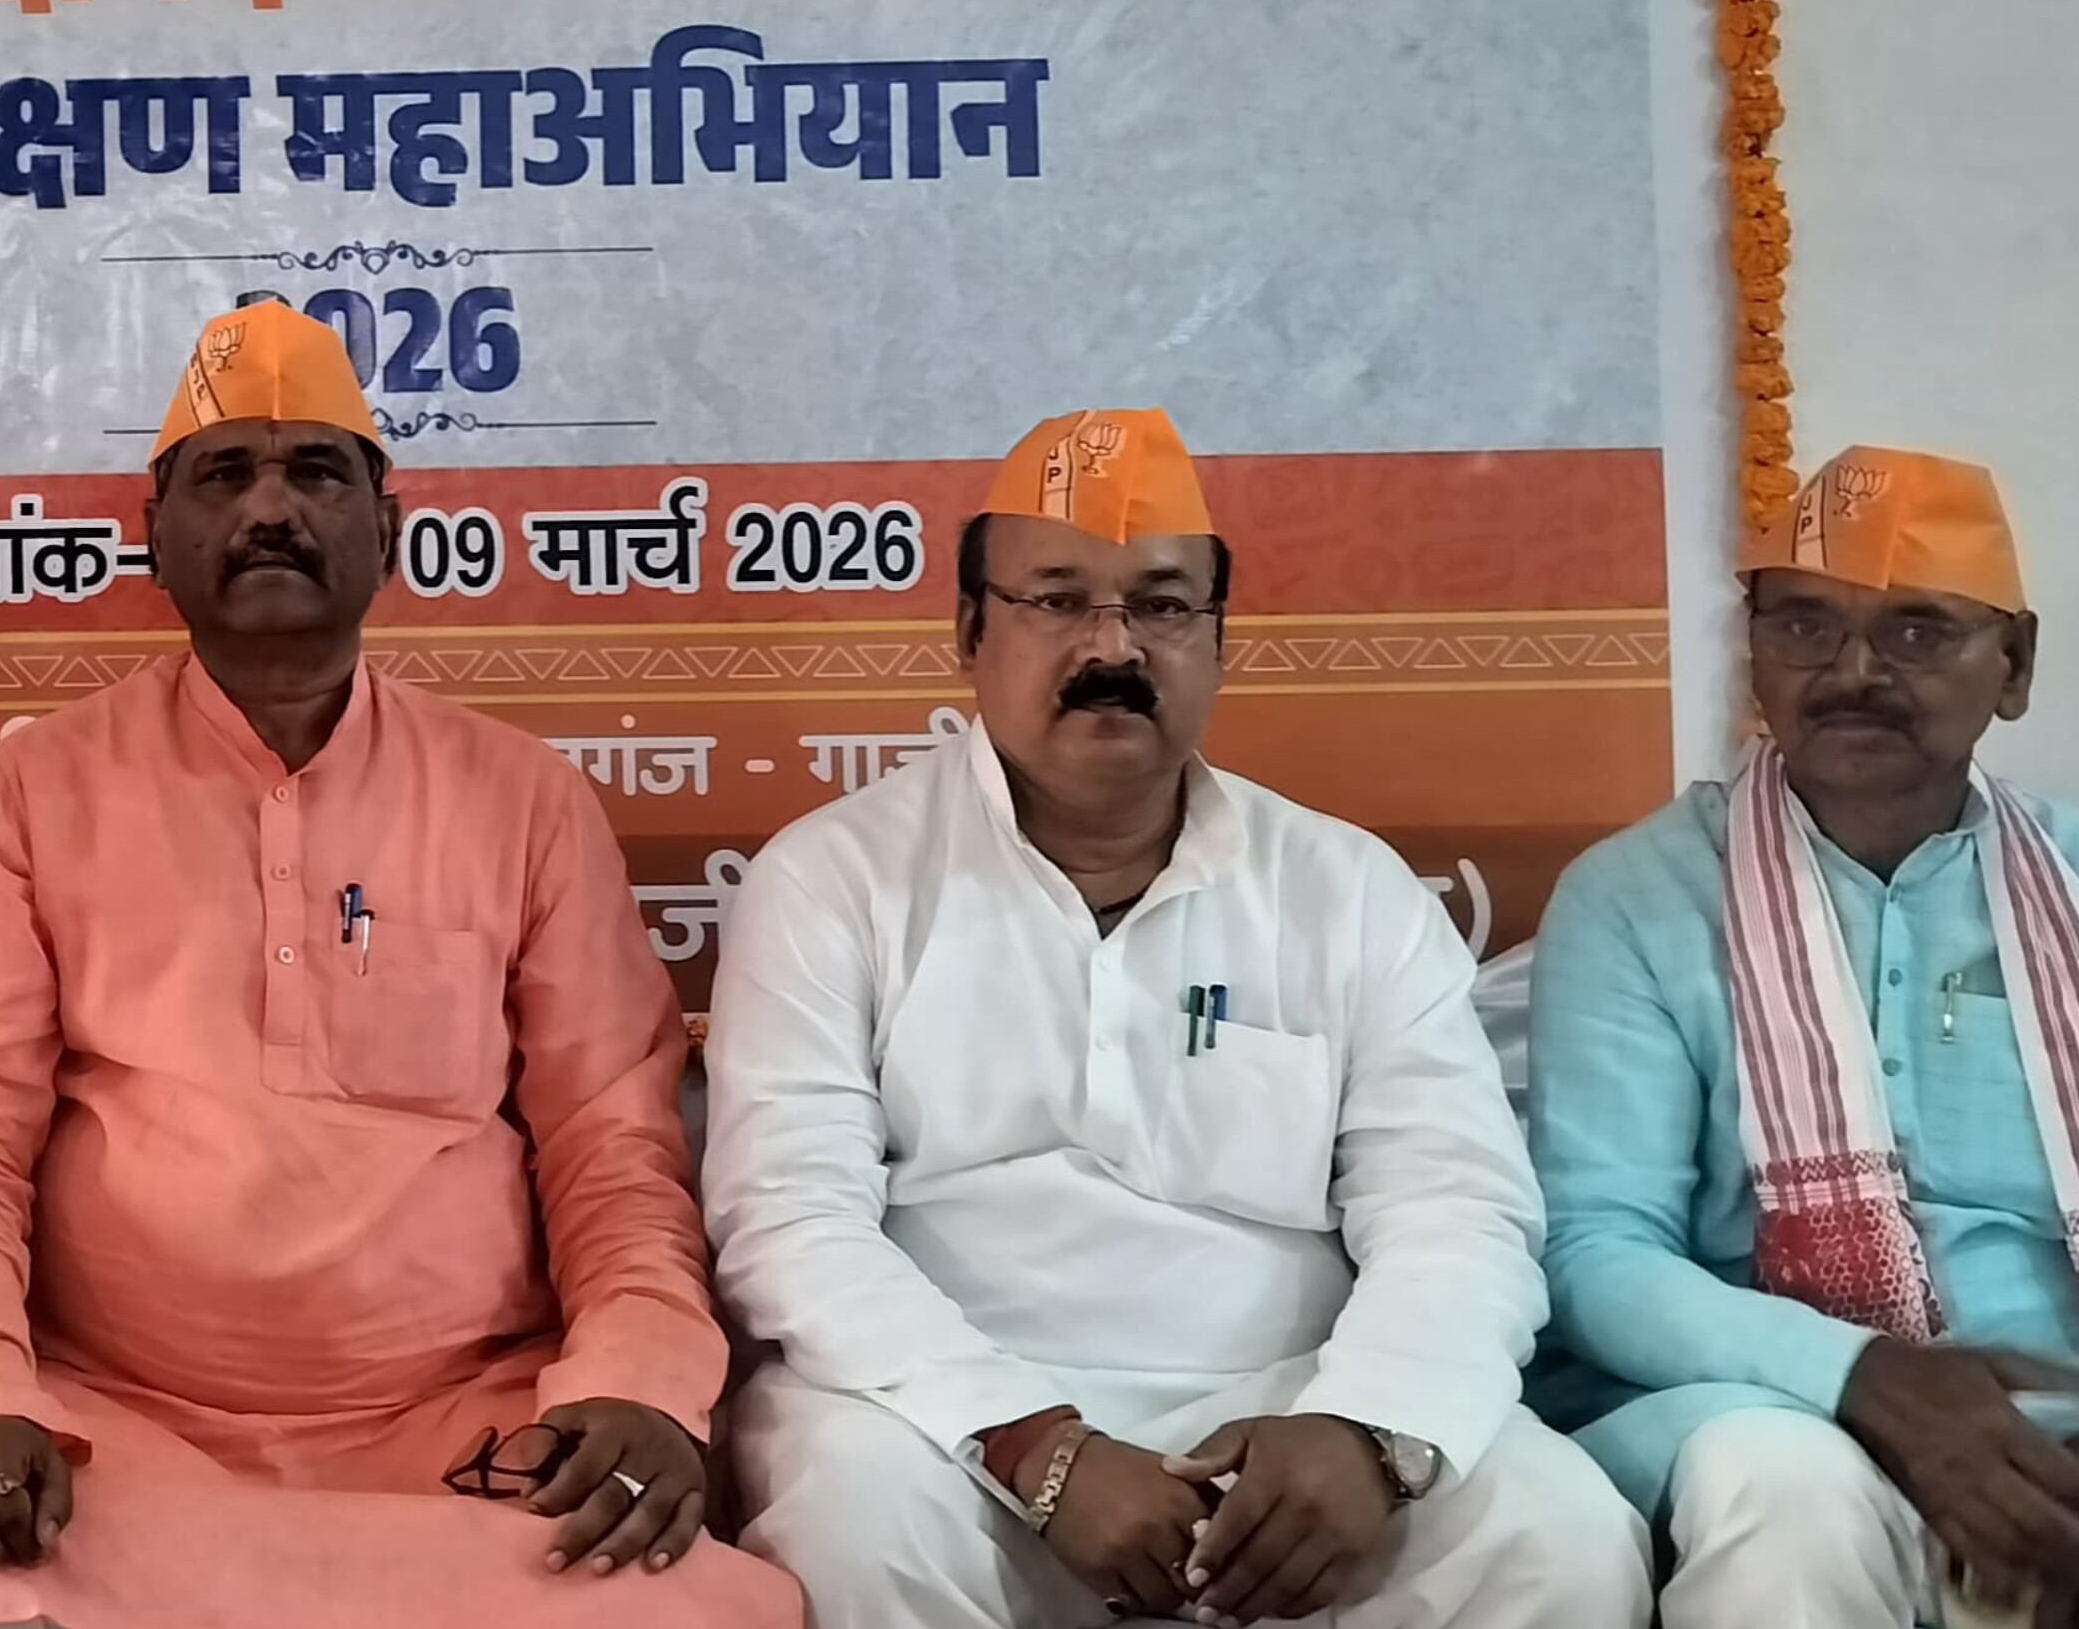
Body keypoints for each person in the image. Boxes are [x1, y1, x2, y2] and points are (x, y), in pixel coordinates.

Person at [0, 299, 802, 1629]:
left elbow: (612, 1141)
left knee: (673, 1606)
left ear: (387, 528)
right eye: (224, 475)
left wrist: (637, 1379)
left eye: (314, 471)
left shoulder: (522, 797)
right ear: (156, 535)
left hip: (458, 1419)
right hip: (121, 1426)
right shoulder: (34, 789)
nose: (270, 508)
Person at [704, 408, 1646, 1629]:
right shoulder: (835, 876)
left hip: (1289, 1406)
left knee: (1562, 1538)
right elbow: (789, 1217)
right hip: (943, 1415)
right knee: (856, 1527)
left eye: (1159, 605)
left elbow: (1455, 1203)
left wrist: (1365, 1428)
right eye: (1056, 600)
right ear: (970, 631)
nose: (1111, 645)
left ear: (1215, 639)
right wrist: (1032, 1445)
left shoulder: (1345, 886)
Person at [1532, 444, 2075, 1629]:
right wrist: (1858, 1374)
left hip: (2058, 1428)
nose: (1852, 672)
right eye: (1802, 626)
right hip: (1765, 1409)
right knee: (1780, 1488)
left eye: (1918, 629)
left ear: (2016, 664)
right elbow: (1593, 1250)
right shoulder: (1637, 898)